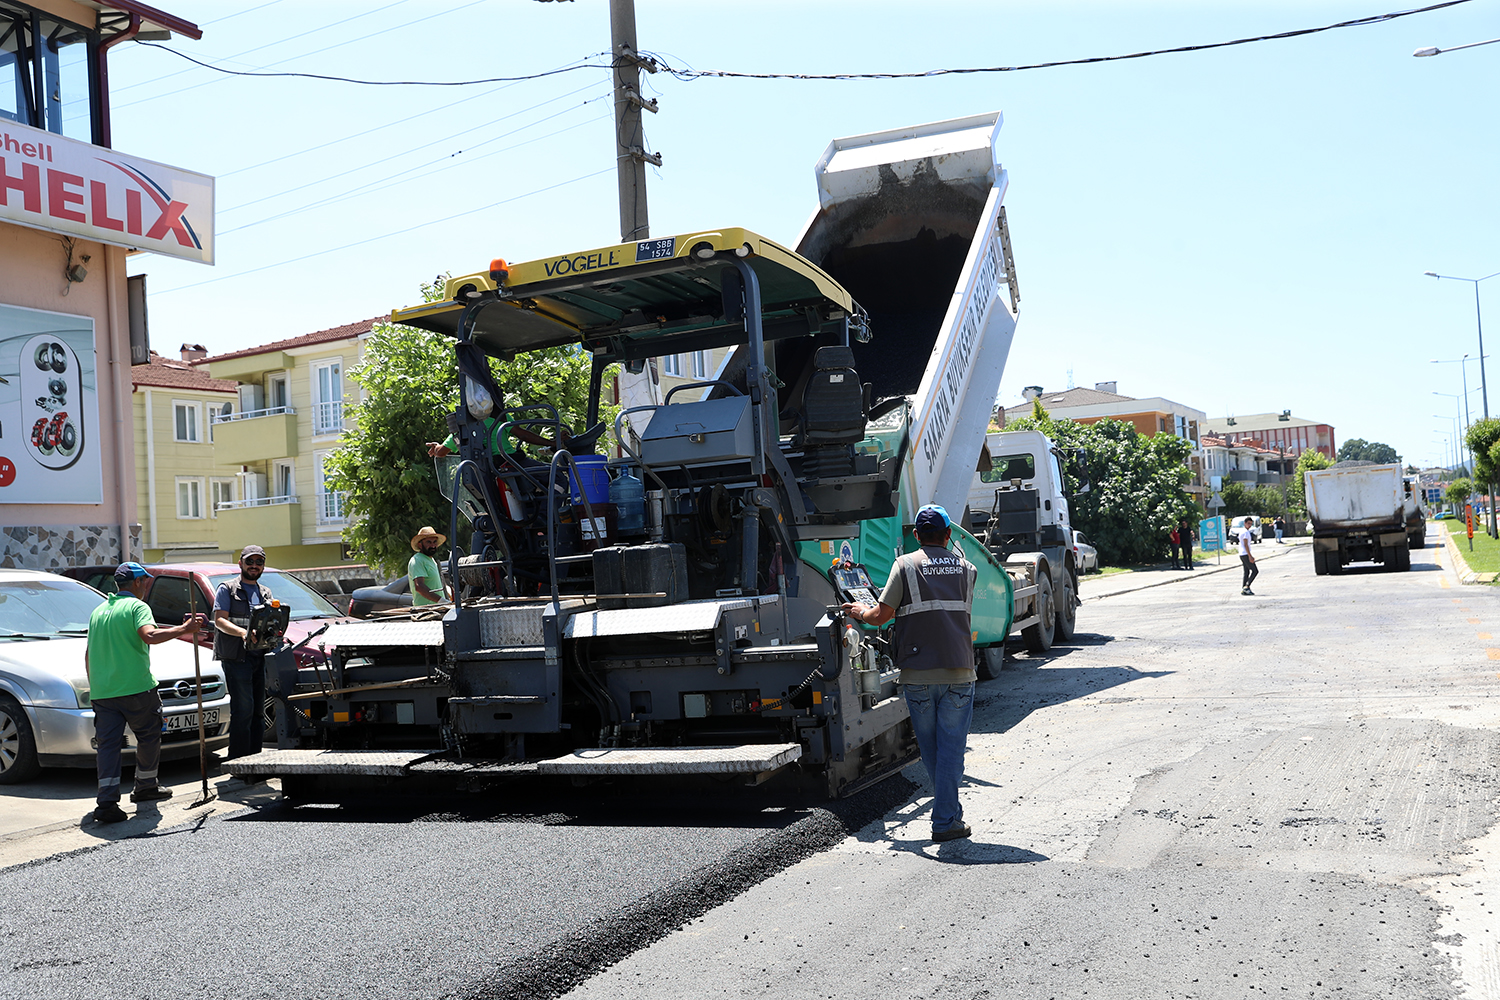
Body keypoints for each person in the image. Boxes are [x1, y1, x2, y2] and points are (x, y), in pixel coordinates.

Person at [840, 504, 978, 843]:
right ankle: (946, 820)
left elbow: (880, 616)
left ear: (916, 535)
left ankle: (949, 815)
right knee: (951, 751)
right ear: (948, 534)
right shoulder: (968, 569)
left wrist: (859, 609)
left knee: (932, 751)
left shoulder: (905, 566)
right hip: (959, 672)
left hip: (917, 674)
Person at [86, 562, 206, 824]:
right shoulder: (138, 607)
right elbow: (149, 635)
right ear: (137, 582)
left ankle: (106, 802)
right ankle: (145, 787)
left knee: (108, 746)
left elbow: (88, 654)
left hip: (103, 692)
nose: (147, 586)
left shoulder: (98, 611)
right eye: (146, 581)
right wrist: (184, 630)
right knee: (149, 735)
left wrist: (96, 686)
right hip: (137, 689)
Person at [213, 545, 274, 760]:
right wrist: (242, 633)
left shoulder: (265, 592)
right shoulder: (227, 589)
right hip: (236, 657)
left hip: (259, 656)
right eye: (250, 562)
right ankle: (238, 761)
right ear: (240, 564)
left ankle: (255, 760)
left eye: (259, 562)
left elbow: (270, 622)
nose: (254, 566)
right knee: (244, 710)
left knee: (258, 711)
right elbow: (219, 620)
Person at [409, 526, 451, 606]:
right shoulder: (417, 560)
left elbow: (436, 583)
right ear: (420, 545)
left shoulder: (431, 560)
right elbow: (419, 586)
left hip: (438, 608)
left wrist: (449, 592)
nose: (433, 545)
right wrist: (441, 601)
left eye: (435, 542)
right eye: (428, 542)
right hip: (426, 611)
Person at [1239, 516, 1258, 595]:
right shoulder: (1245, 532)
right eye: (1248, 523)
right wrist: (1250, 556)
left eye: (1251, 524)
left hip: (1242, 553)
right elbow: (1246, 544)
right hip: (1245, 554)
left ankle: (1244, 588)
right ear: (1245, 523)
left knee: (1246, 571)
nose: (1249, 525)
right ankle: (1247, 586)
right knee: (1255, 571)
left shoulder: (1242, 531)